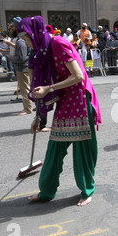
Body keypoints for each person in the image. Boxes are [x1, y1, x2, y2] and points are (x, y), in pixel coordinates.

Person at [17, 16, 101, 206]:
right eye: (23, 38)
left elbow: (78, 76)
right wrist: (39, 117)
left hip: (79, 99)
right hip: (64, 99)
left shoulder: (57, 44)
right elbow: (39, 84)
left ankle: (87, 190)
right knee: (55, 148)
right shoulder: (40, 52)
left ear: (34, 33)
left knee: (83, 150)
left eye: (26, 37)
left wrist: (49, 88)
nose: (26, 42)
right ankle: (46, 191)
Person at [8, 18, 33, 116]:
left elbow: (22, 58)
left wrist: (12, 58)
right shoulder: (21, 40)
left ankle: (27, 108)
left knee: (25, 89)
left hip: (23, 68)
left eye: (13, 26)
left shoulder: (21, 41)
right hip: (25, 68)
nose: (11, 29)